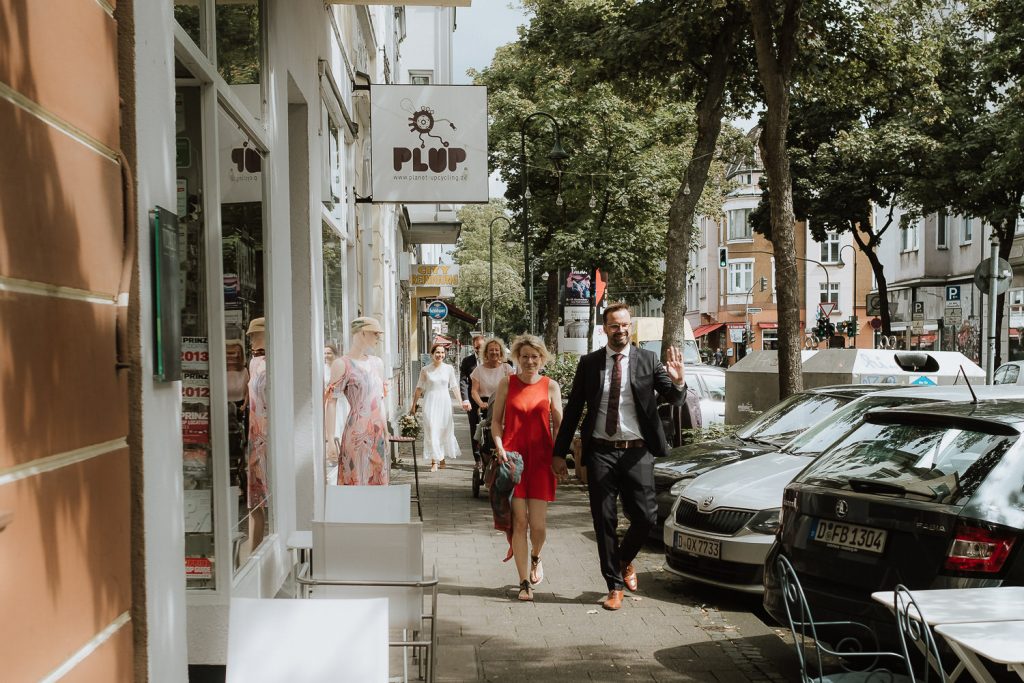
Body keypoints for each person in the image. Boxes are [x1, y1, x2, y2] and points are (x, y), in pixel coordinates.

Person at [552, 303, 686, 611]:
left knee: (646, 517)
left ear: (630, 327)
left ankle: (623, 560)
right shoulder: (590, 363)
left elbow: (675, 399)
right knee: (604, 520)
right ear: (605, 329)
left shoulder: (648, 360)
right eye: (614, 325)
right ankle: (613, 585)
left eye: (625, 325)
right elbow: (573, 410)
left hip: (637, 451)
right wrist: (559, 453)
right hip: (601, 451)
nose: (621, 330)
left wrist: (678, 381)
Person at [489, 334, 563, 602]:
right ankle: (523, 582)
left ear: (542, 358)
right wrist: (499, 447)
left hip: (541, 462)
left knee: (538, 526)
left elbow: (559, 426)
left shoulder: (551, 386)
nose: (530, 361)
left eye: (534, 356)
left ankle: (536, 556)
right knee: (520, 523)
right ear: (517, 358)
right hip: (514, 461)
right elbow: (496, 422)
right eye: (525, 357)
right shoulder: (507, 383)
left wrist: (559, 457)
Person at [325, 317, 390, 485]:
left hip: (377, 433)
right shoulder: (342, 364)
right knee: (356, 480)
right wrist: (330, 439)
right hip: (356, 432)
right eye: (375, 333)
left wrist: (386, 431)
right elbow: (331, 402)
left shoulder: (377, 363)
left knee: (378, 482)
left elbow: (380, 400)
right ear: (363, 333)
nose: (378, 338)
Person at [410, 343, 461, 472]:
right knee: (432, 429)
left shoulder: (449, 369)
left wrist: (461, 402)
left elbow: (454, 386)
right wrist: (413, 405)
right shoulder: (425, 370)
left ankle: (441, 458)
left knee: (443, 430)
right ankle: (434, 461)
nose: (440, 355)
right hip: (430, 402)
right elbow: (419, 388)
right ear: (432, 354)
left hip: (444, 403)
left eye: (442, 352)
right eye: (437, 352)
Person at [469, 338, 513, 471]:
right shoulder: (479, 370)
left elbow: (513, 388)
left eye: (496, 350)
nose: (494, 352)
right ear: (486, 353)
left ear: (501, 352)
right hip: (487, 404)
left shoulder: (507, 368)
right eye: (491, 350)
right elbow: (474, 391)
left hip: (505, 404)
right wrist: (480, 403)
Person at [245, 317, 269, 551]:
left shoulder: (274, 362)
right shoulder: (254, 363)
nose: (251, 338)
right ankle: (255, 549)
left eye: (255, 334)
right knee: (255, 499)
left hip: (270, 434)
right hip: (255, 433)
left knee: (271, 494)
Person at [459, 335, 485, 464]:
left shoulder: (492, 359)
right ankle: (477, 459)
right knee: (474, 428)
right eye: (477, 347)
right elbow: (463, 381)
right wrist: (465, 399)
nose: (479, 350)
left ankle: (488, 456)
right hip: (472, 400)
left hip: (489, 399)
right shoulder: (467, 361)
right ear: (473, 347)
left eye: (482, 347)